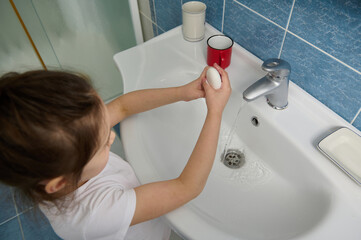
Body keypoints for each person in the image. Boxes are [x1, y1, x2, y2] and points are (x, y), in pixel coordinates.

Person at [0, 63, 231, 240]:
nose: (111, 136)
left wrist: (183, 92)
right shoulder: (93, 213)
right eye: (102, 145)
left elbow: (122, 106)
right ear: (58, 183)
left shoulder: (64, 151)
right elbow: (187, 187)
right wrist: (215, 113)